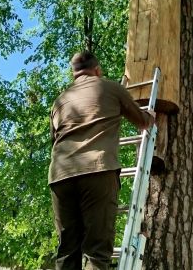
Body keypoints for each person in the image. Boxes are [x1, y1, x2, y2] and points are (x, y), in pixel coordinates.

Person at [49, 51, 155, 270]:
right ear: (97, 70)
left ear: (74, 74)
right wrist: (151, 116)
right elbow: (141, 121)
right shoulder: (111, 88)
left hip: (60, 175)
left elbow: (54, 140)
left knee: (67, 250)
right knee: (97, 250)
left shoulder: (60, 101)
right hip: (97, 170)